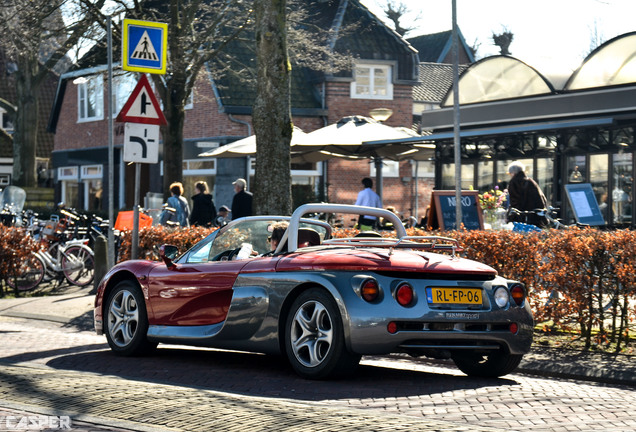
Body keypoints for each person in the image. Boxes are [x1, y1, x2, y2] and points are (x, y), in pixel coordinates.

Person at [506, 161, 548, 228]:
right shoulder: (531, 181)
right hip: (537, 216)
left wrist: (510, 217)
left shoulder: (514, 182)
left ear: (513, 173)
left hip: (523, 217)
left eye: (510, 173)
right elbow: (542, 198)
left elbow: (515, 202)